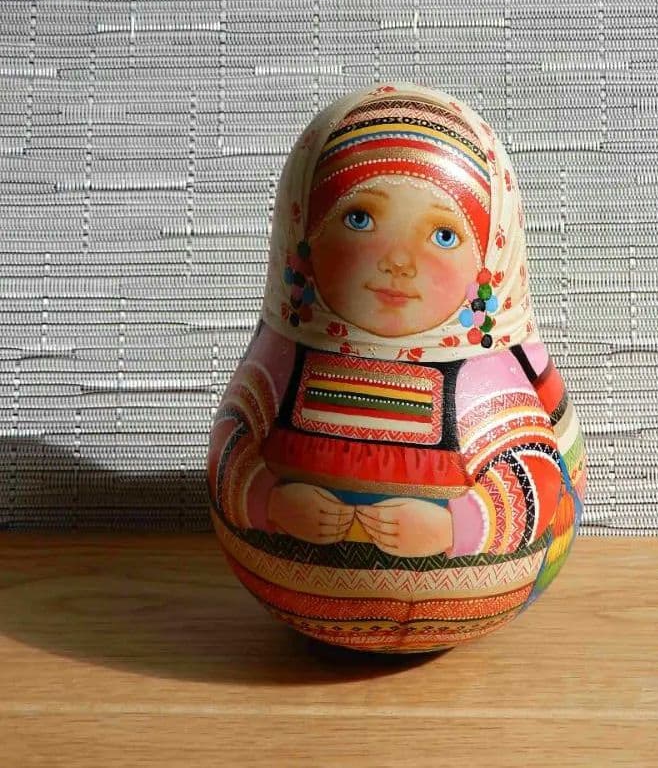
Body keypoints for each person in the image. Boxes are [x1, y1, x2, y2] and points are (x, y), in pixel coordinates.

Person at [207, 83, 587, 651]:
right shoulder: (282, 375)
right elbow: (236, 454)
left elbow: (540, 479)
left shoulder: (483, 389)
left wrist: (456, 525)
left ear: (488, 262)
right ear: (303, 236)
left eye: (443, 234)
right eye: (360, 219)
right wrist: (267, 499)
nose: (399, 261)